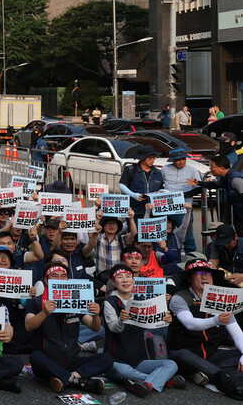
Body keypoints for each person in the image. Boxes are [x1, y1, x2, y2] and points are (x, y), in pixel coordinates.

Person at [25, 262, 111, 394]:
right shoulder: (36, 302)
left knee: (107, 359)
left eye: (63, 276)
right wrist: (44, 313)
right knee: (35, 357)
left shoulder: (75, 301)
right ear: (46, 280)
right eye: (54, 276)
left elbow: (95, 327)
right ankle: (79, 381)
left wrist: (96, 315)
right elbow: (28, 325)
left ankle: (67, 378)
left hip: (72, 362)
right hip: (47, 362)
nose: (59, 279)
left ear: (68, 279)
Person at [167, 258, 243, 397]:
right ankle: (221, 377)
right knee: (185, 356)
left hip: (211, 353)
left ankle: (201, 373)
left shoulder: (221, 298)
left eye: (208, 273)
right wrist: (216, 320)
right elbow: (190, 323)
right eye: (198, 273)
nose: (204, 277)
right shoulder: (180, 298)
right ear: (189, 279)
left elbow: (238, 334)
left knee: (240, 356)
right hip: (184, 352)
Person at [102, 264, 181, 396]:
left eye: (128, 277)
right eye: (120, 277)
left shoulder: (141, 300)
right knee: (123, 371)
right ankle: (161, 381)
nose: (125, 280)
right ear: (114, 282)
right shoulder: (110, 301)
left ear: (133, 280)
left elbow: (155, 326)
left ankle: (145, 383)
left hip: (139, 360)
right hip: (116, 360)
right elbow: (113, 328)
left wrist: (166, 321)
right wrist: (122, 319)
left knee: (172, 364)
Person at [160, 148, 202, 252]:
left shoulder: (192, 169)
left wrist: (185, 194)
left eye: (183, 159)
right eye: (178, 160)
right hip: (167, 206)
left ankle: (191, 256)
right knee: (164, 233)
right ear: (173, 161)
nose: (181, 162)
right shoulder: (165, 169)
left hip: (184, 207)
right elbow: (159, 184)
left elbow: (199, 188)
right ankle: (167, 256)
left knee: (187, 235)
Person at [197, 156, 243, 235]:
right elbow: (215, 184)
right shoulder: (225, 178)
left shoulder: (235, 179)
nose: (210, 169)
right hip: (238, 215)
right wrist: (198, 183)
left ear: (222, 168)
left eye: (212, 167)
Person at [118, 144, 164, 219]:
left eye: (153, 158)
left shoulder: (158, 172)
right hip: (135, 210)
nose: (152, 160)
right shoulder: (130, 170)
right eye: (150, 158)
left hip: (153, 211)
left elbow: (161, 188)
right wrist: (133, 195)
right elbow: (122, 185)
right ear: (142, 158)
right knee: (135, 230)